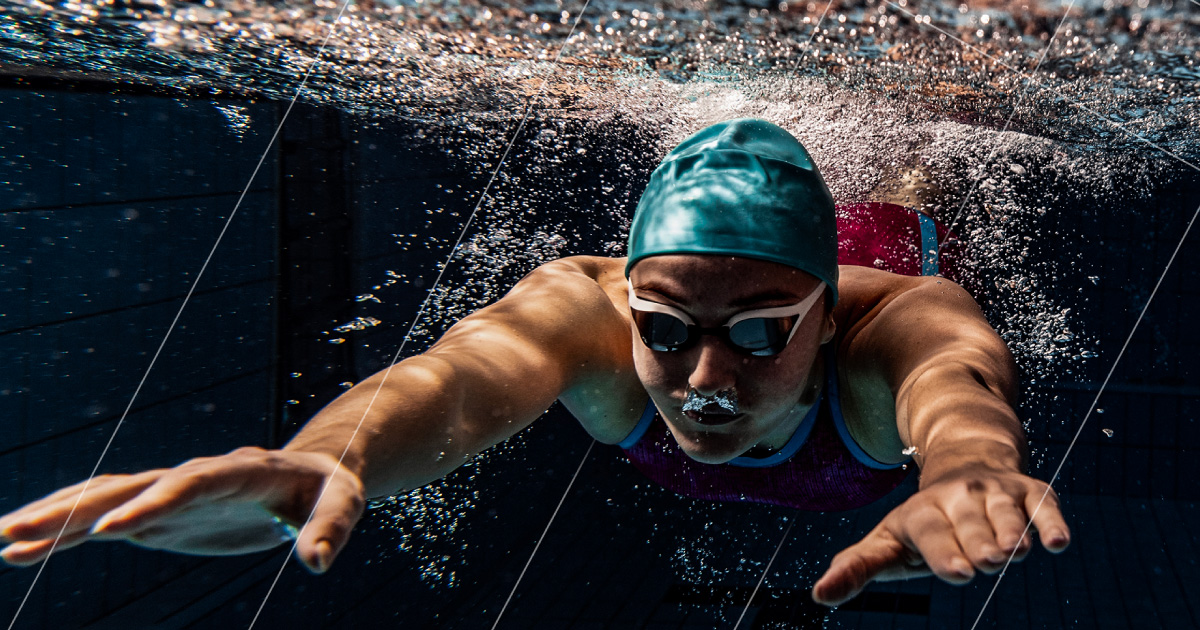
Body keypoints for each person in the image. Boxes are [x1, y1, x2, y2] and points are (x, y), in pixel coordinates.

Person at [0, 118, 1069, 606]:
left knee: (912, 174)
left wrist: (966, 469)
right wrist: (333, 459)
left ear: (827, 322)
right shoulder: (587, 310)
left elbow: (954, 386)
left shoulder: (897, 324)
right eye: (662, 328)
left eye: (758, 334)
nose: (704, 383)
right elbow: (466, 372)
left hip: (871, 251)